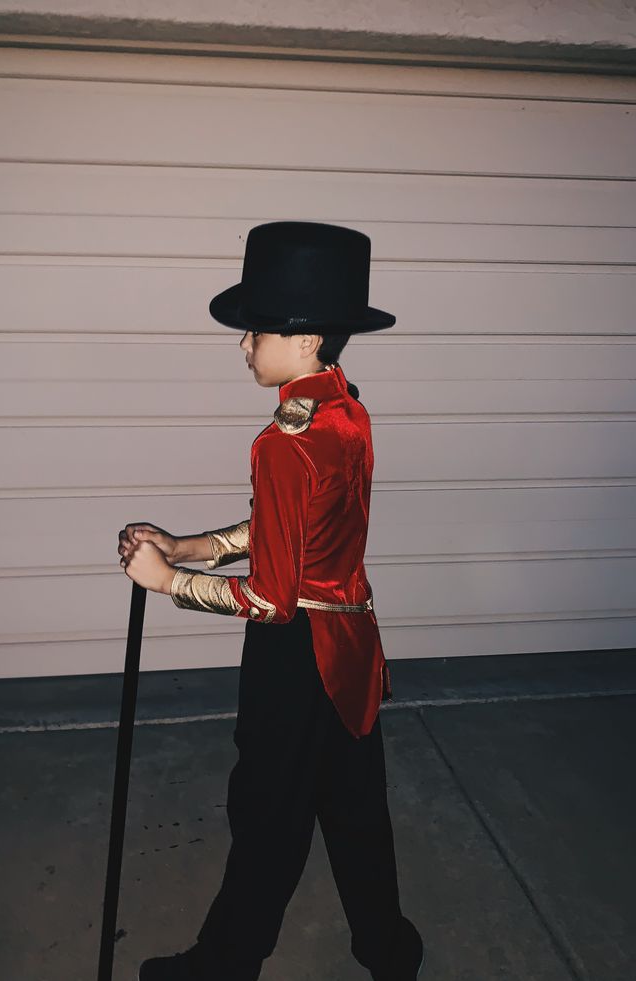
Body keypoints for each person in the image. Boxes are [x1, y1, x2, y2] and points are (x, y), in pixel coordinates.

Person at [118, 221, 424, 981]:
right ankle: (390, 950)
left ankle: (223, 966)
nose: (245, 345)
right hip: (351, 648)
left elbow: (271, 595)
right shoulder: (344, 411)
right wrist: (187, 544)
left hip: (295, 663)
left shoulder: (283, 441)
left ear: (308, 337)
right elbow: (288, 531)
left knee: (267, 818)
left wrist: (167, 582)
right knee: (355, 811)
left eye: (257, 330)